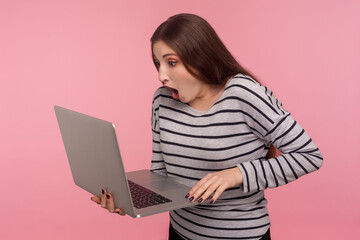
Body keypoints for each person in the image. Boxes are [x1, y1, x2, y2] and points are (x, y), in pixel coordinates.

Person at [91, 13, 323, 240]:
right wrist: (126, 199)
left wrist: (236, 174)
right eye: (157, 63)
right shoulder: (161, 101)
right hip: (180, 232)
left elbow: (309, 156)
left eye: (171, 63)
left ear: (200, 57)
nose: (162, 75)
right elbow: (161, 175)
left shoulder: (243, 94)